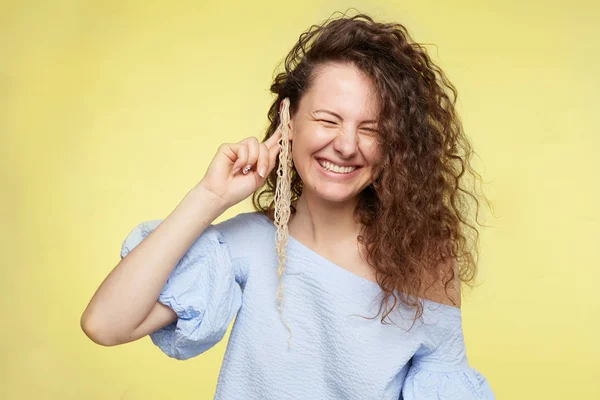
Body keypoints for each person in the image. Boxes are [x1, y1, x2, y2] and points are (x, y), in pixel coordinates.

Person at [81, 12, 496, 399]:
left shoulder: (424, 259)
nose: (347, 145)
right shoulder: (246, 245)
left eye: (371, 129)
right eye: (329, 120)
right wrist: (209, 197)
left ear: (393, 146)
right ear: (289, 120)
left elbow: (445, 381)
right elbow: (106, 324)